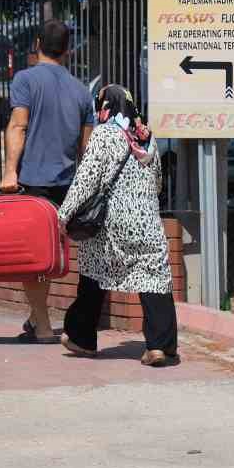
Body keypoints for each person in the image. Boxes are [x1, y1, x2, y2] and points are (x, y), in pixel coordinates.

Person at [56, 84, 179, 366]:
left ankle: (81, 337)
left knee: (94, 273)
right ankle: (161, 347)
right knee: (155, 279)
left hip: (112, 220)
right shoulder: (147, 137)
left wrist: (64, 214)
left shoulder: (104, 134)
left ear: (105, 106)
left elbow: (87, 178)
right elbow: (158, 181)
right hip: (147, 219)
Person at [0, 20, 95, 343]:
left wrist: (11, 170)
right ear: (68, 50)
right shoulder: (82, 91)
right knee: (52, 252)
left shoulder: (25, 80)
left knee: (32, 257)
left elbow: (18, 125)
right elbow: (87, 148)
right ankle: (34, 316)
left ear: (38, 43)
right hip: (67, 185)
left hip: (32, 182)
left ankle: (42, 327)